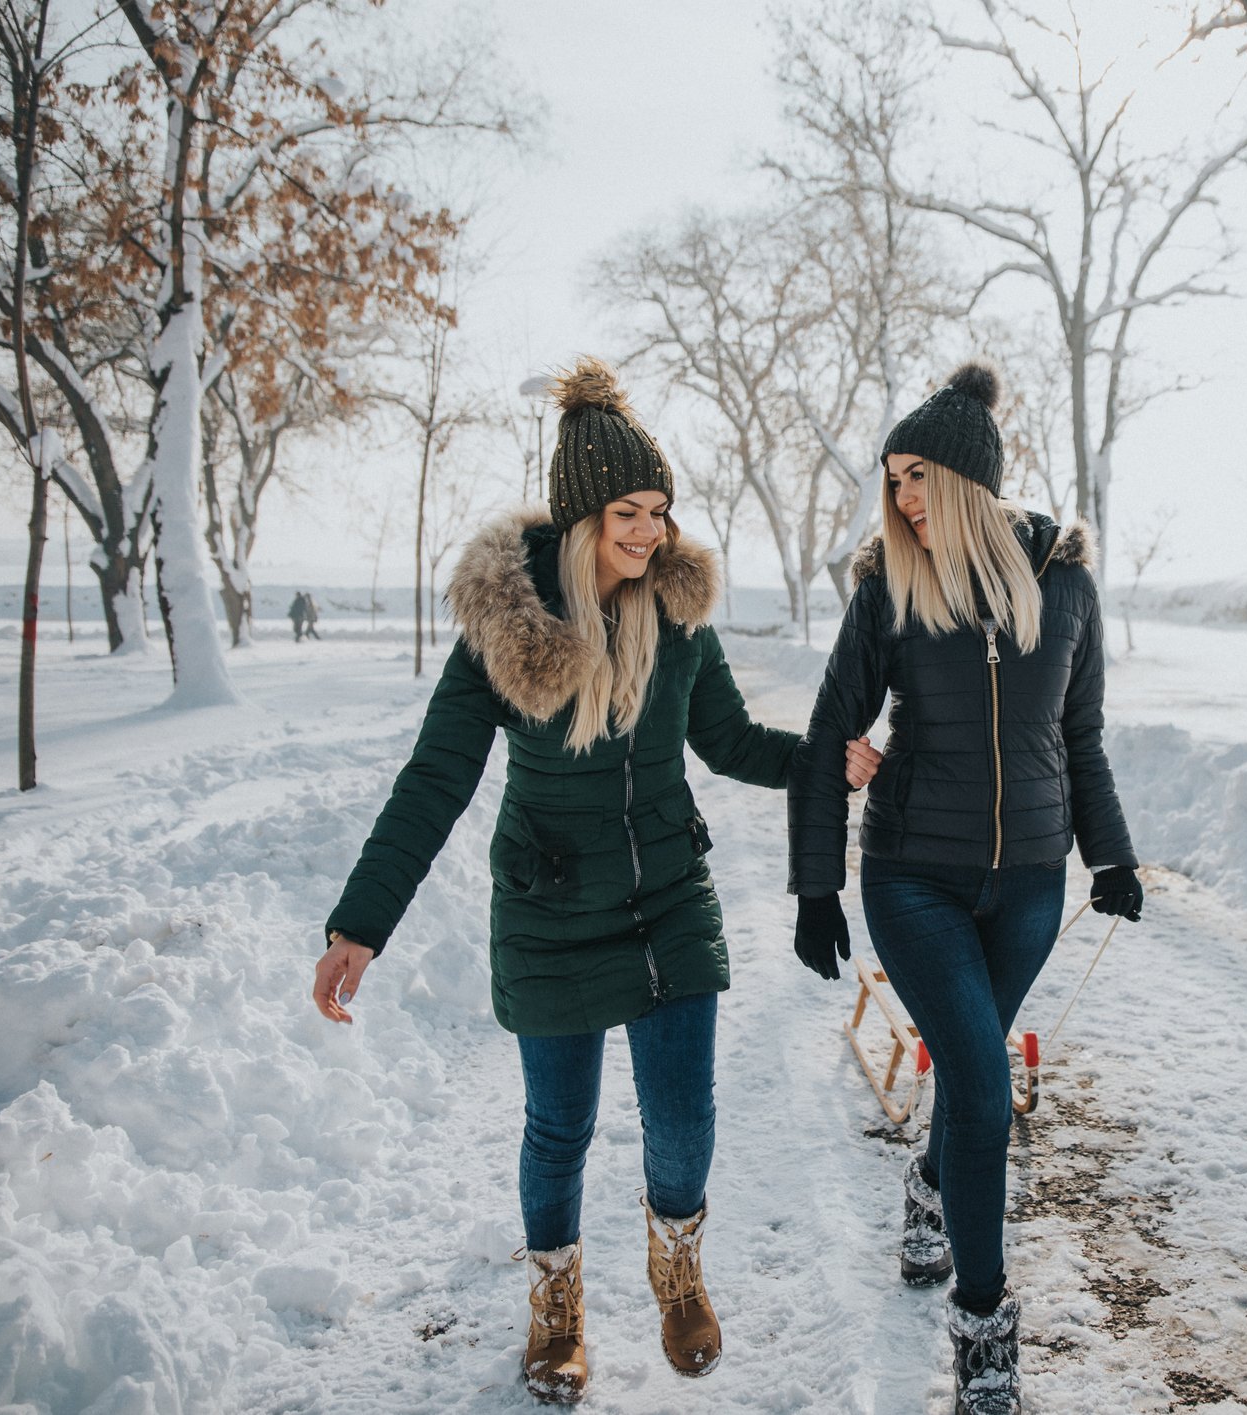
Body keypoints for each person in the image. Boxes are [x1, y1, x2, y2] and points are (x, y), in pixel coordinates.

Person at [311, 358, 879, 1405]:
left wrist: (819, 755)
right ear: (581, 516)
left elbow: (728, 738)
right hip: (547, 903)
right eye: (628, 511)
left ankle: (676, 1262)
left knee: (684, 1118)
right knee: (558, 1126)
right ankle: (557, 1302)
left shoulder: (675, 614)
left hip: (668, 896)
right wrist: (362, 921)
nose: (649, 531)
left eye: (660, 511)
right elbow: (435, 777)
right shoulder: (507, 629)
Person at [787, 361, 1144, 1415]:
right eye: (892, 478)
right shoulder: (888, 591)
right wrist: (817, 884)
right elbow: (828, 735)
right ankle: (984, 1335)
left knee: (973, 1064)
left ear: (971, 485)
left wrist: (1110, 853)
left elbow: (1078, 736)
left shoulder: (1066, 588)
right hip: (913, 876)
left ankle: (933, 1187)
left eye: (918, 477)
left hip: (1031, 884)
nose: (901, 499)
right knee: (983, 1082)